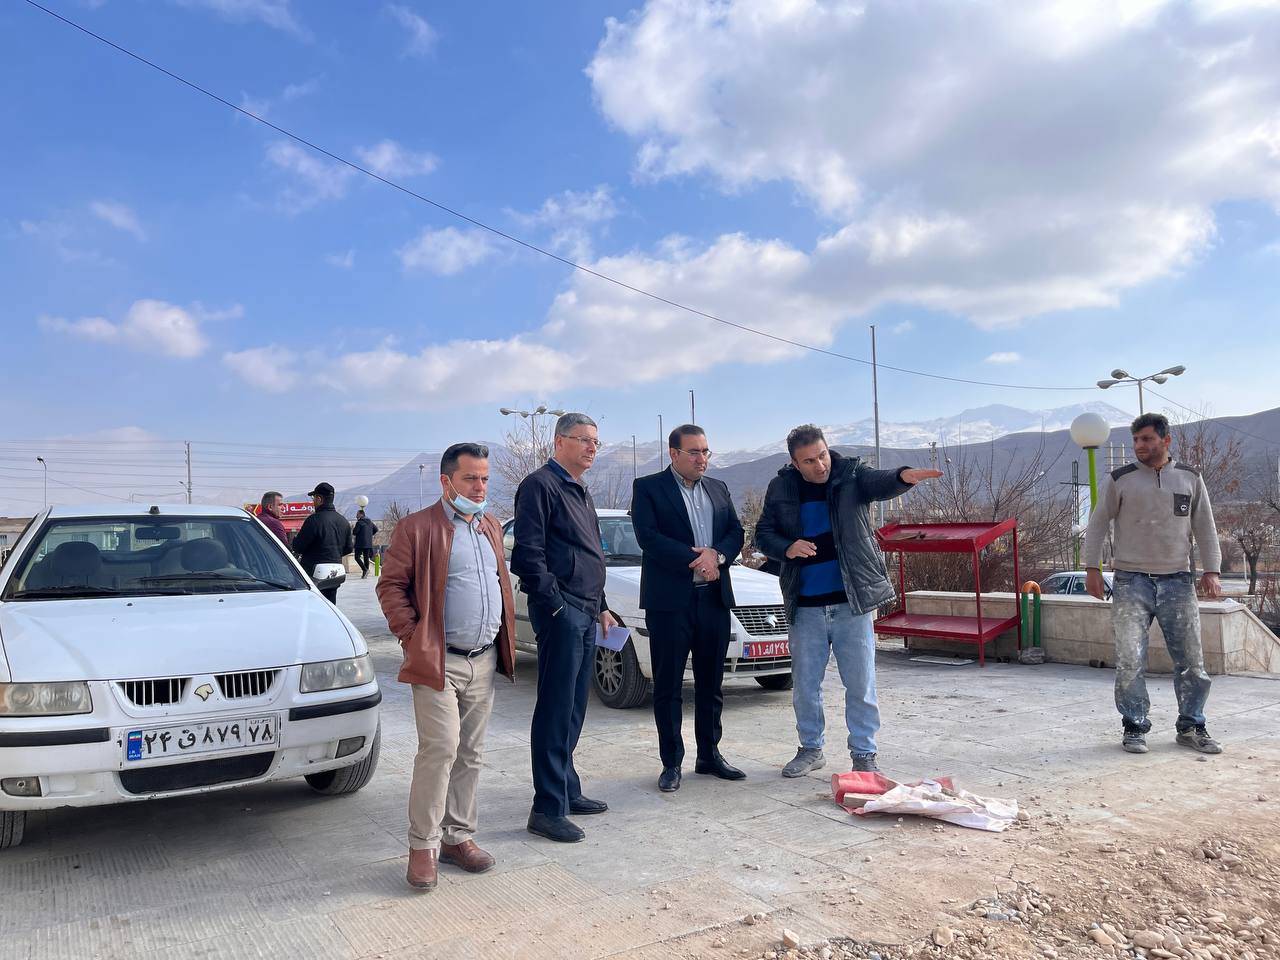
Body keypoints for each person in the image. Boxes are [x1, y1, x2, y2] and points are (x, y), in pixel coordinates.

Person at [756, 425, 941, 777]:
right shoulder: (781, 488)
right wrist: (787, 547)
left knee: (860, 685)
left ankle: (864, 753)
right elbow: (763, 534)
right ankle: (811, 749)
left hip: (851, 604)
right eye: (809, 461)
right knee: (805, 687)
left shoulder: (851, 475)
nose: (820, 465)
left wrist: (903, 476)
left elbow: (879, 481)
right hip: (805, 607)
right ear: (794, 463)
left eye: (822, 455)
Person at [377, 443, 517, 891]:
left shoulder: (489, 526)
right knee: (440, 750)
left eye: (484, 479)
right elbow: (391, 587)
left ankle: (458, 837)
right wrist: (412, 636)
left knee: (471, 752)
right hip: (440, 660)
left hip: (483, 658)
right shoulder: (417, 528)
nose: (479, 487)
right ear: (446, 482)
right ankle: (423, 846)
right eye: (470, 478)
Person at [1084, 413, 1223, 755]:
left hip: (1178, 580)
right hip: (1131, 581)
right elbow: (1098, 523)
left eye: (1146, 439)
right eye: (1136, 440)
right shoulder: (1120, 479)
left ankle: (1191, 725)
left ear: (1165, 440)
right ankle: (1134, 726)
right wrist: (1092, 569)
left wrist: (1212, 570)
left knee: (1191, 660)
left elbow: (1205, 526)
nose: (1139, 446)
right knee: (1129, 659)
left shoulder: (1190, 478)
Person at [510, 412, 615, 843]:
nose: (592, 447)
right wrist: (556, 606)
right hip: (563, 613)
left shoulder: (580, 489)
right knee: (555, 709)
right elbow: (528, 555)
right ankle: (547, 808)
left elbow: (591, 554)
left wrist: (602, 606)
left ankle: (567, 790)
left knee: (574, 707)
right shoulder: (540, 486)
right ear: (559, 442)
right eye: (583, 439)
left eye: (596, 441)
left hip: (588, 612)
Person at [631, 424, 746, 793]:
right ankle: (671, 763)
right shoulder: (648, 488)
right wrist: (697, 559)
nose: (702, 459)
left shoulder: (718, 488)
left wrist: (718, 555)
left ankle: (709, 755)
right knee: (668, 686)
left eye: (706, 451)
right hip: (670, 603)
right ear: (674, 454)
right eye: (694, 452)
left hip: (713, 599)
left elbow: (735, 531)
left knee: (711, 684)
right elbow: (648, 537)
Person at [292, 481, 353, 604]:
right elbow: (349, 548)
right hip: (335, 573)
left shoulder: (313, 520)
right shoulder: (343, 521)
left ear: (319, 499)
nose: (313, 501)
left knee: (314, 605)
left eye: (314, 498)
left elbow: (298, 547)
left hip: (313, 573)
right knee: (330, 604)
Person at [353, 509, 379, 578]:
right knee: (366, 557)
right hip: (368, 543)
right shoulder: (370, 522)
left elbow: (354, 532)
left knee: (357, 557)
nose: (356, 516)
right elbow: (376, 529)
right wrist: (369, 535)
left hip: (360, 543)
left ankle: (365, 570)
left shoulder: (359, 523)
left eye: (357, 514)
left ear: (361, 514)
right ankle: (365, 573)